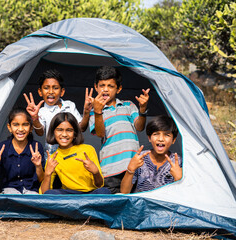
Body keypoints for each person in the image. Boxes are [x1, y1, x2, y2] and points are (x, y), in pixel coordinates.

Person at [89, 66, 150, 194]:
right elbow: (100, 133)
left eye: (110, 86)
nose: (105, 90)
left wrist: (143, 110)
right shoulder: (94, 111)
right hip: (110, 168)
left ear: (119, 89)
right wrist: (98, 111)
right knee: (112, 200)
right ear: (96, 87)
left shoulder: (128, 105)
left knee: (133, 198)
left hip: (132, 164)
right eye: (102, 85)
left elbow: (139, 127)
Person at [24, 69, 92, 155]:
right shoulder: (42, 111)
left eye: (55, 88)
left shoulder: (70, 105)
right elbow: (40, 132)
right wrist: (35, 118)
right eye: (46, 88)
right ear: (40, 92)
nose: (51, 91)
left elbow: (81, 128)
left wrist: (86, 112)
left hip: (72, 151)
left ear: (62, 92)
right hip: (52, 153)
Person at [40, 112, 110, 194]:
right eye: (60, 130)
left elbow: (100, 185)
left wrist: (96, 172)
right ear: (53, 132)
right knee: (50, 194)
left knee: (104, 191)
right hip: (69, 196)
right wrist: (47, 174)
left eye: (69, 130)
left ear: (75, 133)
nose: (64, 134)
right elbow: (44, 194)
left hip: (90, 194)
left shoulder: (88, 150)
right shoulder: (53, 158)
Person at [0, 108, 45, 194]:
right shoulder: (2, 148)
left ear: (31, 128)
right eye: (16, 125)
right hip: (8, 190)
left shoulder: (36, 147)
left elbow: (41, 179)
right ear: (9, 127)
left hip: (31, 191)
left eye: (25, 125)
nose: (21, 129)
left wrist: (38, 165)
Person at [120, 115, 182, 193]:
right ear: (149, 138)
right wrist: (130, 170)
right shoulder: (140, 158)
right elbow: (124, 192)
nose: (160, 139)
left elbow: (183, 197)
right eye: (156, 134)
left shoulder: (178, 162)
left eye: (167, 135)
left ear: (173, 140)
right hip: (140, 204)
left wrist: (179, 180)